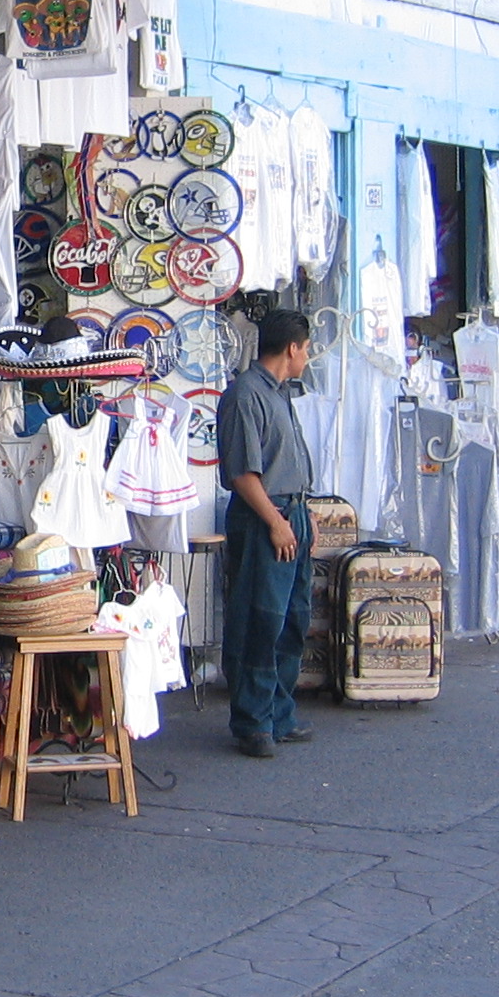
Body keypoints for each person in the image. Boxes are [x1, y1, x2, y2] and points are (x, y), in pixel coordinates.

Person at [217, 309, 316, 760]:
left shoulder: (281, 394)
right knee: (260, 619)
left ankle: (280, 713)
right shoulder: (244, 395)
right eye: (307, 349)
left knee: (292, 617)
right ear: (293, 348)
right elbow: (242, 472)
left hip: (290, 513)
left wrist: (301, 513)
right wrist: (276, 521)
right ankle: (253, 721)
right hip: (263, 517)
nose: (308, 358)